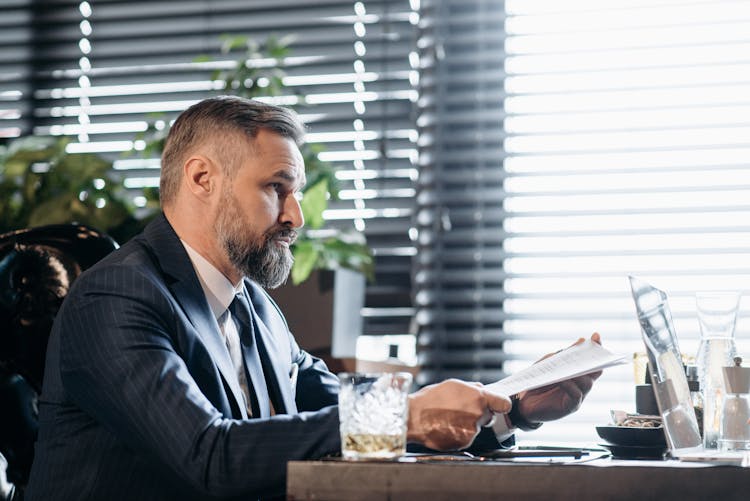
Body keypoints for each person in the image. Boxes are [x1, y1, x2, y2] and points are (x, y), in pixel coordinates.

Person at [25, 96, 600, 501]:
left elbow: (351, 417)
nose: (296, 217)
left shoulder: (252, 308)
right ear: (202, 178)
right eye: (277, 189)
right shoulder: (118, 296)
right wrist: (408, 415)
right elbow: (209, 457)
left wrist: (511, 408)